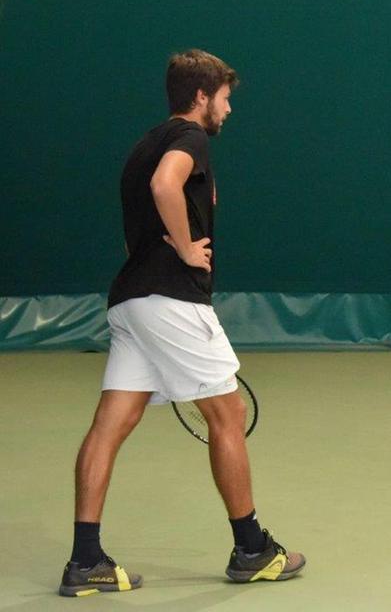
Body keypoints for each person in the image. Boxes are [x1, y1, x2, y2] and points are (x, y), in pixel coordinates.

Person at [59, 49, 305, 597]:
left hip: (129, 300)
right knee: (227, 413)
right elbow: (166, 188)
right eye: (225, 98)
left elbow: (133, 232)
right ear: (201, 97)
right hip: (172, 300)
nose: (229, 109)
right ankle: (252, 549)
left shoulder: (141, 146)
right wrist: (191, 251)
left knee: (110, 424)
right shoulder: (187, 141)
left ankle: (85, 560)